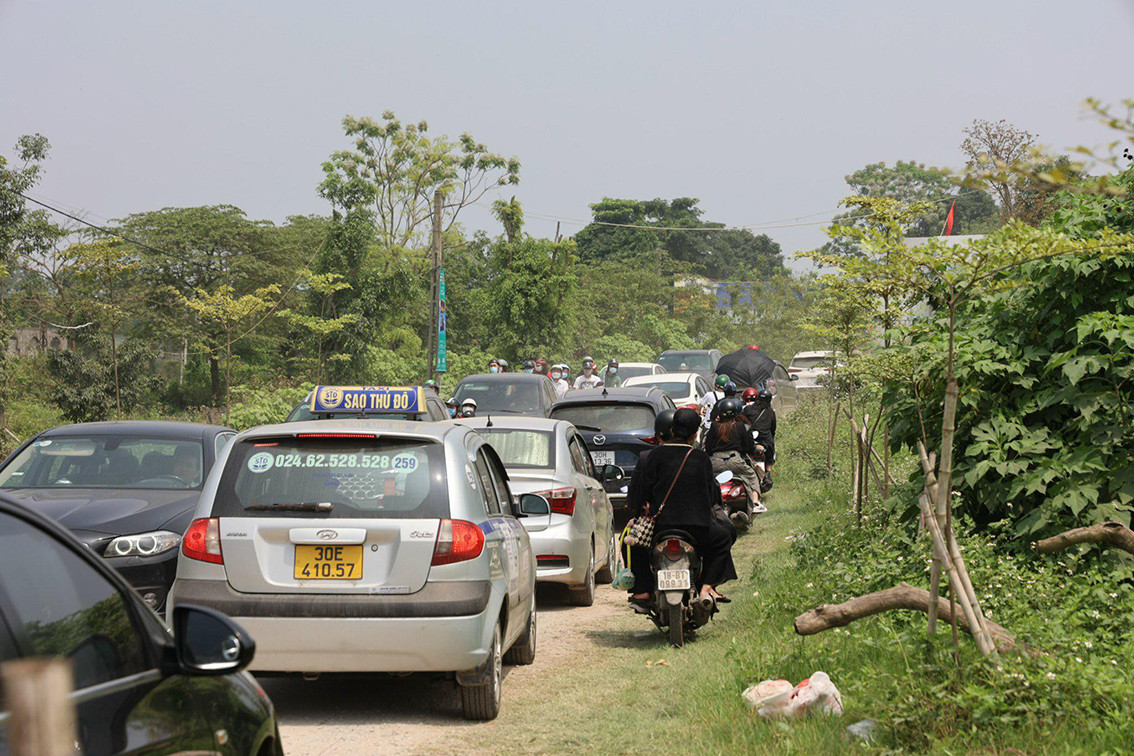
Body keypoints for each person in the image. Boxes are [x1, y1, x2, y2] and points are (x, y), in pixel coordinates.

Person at [624, 408, 738, 610]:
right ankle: (707, 588)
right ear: (695, 433)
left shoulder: (654, 456)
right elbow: (712, 496)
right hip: (697, 527)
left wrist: (638, 515)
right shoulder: (700, 458)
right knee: (723, 538)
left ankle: (643, 590)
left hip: (661, 526)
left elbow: (643, 491)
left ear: (672, 429)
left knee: (634, 545)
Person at [704, 397, 765, 523]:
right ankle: (755, 503)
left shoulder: (714, 427)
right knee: (752, 475)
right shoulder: (740, 426)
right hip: (735, 460)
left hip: (715, 462)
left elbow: (708, 448)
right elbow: (747, 447)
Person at [743, 387, 777, 477]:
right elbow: (773, 428)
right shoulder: (770, 412)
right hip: (765, 440)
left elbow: (742, 423)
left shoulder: (747, 409)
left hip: (749, 439)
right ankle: (768, 473)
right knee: (770, 455)